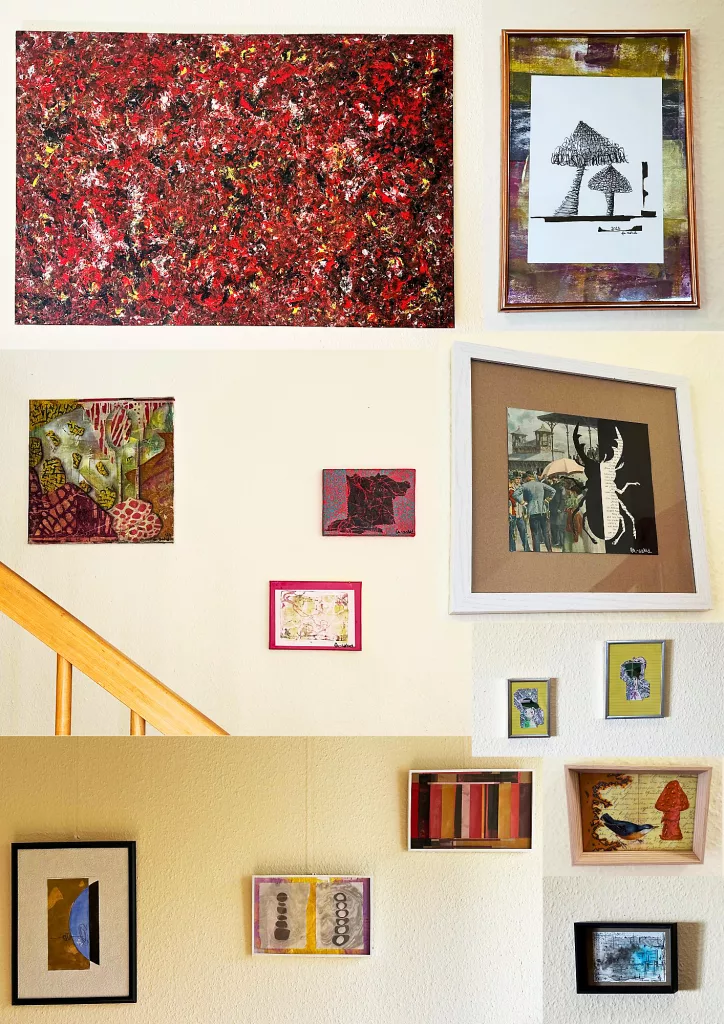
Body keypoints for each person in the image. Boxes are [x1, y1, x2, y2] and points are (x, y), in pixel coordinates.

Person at [513, 472, 555, 552]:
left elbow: (515, 495)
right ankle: (549, 550)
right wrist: (548, 499)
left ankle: (537, 552)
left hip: (532, 512)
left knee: (535, 533)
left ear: (528, 477)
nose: (524, 479)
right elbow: (553, 490)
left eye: (525, 478)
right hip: (542, 511)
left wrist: (522, 502)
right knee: (546, 533)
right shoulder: (541, 484)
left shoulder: (525, 485)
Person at [508, 473, 530, 551]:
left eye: (519, 478)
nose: (518, 480)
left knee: (523, 532)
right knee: (512, 533)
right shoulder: (510, 488)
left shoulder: (522, 487)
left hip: (520, 513)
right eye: (516, 478)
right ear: (513, 479)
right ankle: (512, 549)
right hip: (513, 513)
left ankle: (527, 549)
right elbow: (511, 500)